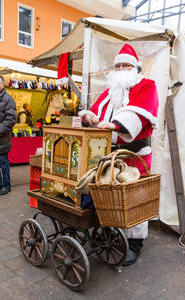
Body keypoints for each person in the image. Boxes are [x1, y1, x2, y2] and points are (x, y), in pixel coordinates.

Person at [79, 43, 159, 266]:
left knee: (134, 196)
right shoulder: (109, 91)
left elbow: (140, 113)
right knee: (111, 194)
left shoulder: (147, 85)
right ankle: (113, 233)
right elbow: (93, 112)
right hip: (110, 153)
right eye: (118, 66)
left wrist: (114, 126)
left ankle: (135, 244)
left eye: (126, 65)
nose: (122, 69)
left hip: (136, 154)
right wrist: (91, 119)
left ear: (135, 68)